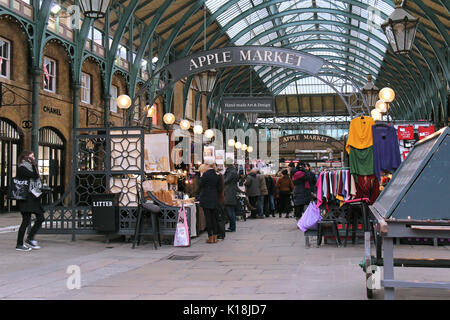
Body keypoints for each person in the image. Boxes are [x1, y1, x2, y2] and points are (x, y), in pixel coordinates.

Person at [15, 150, 45, 251]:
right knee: (26, 221)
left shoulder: (30, 166)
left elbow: (36, 176)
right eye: (32, 157)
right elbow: (34, 175)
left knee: (41, 218)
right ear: (26, 157)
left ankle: (30, 238)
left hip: (34, 196)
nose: (34, 158)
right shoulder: (22, 168)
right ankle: (19, 244)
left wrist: (34, 165)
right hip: (26, 198)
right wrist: (34, 165)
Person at [199, 163, 222, 244]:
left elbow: (200, 185)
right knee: (214, 218)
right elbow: (220, 188)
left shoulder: (205, 174)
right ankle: (215, 237)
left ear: (207, 166)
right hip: (214, 198)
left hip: (206, 198)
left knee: (208, 218)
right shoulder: (217, 175)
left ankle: (210, 237)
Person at [223, 164, 239, 232]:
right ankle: (232, 226)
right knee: (231, 210)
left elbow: (225, 181)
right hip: (231, 192)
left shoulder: (231, 172)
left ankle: (232, 227)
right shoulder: (233, 171)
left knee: (230, 211)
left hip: (229, 193)